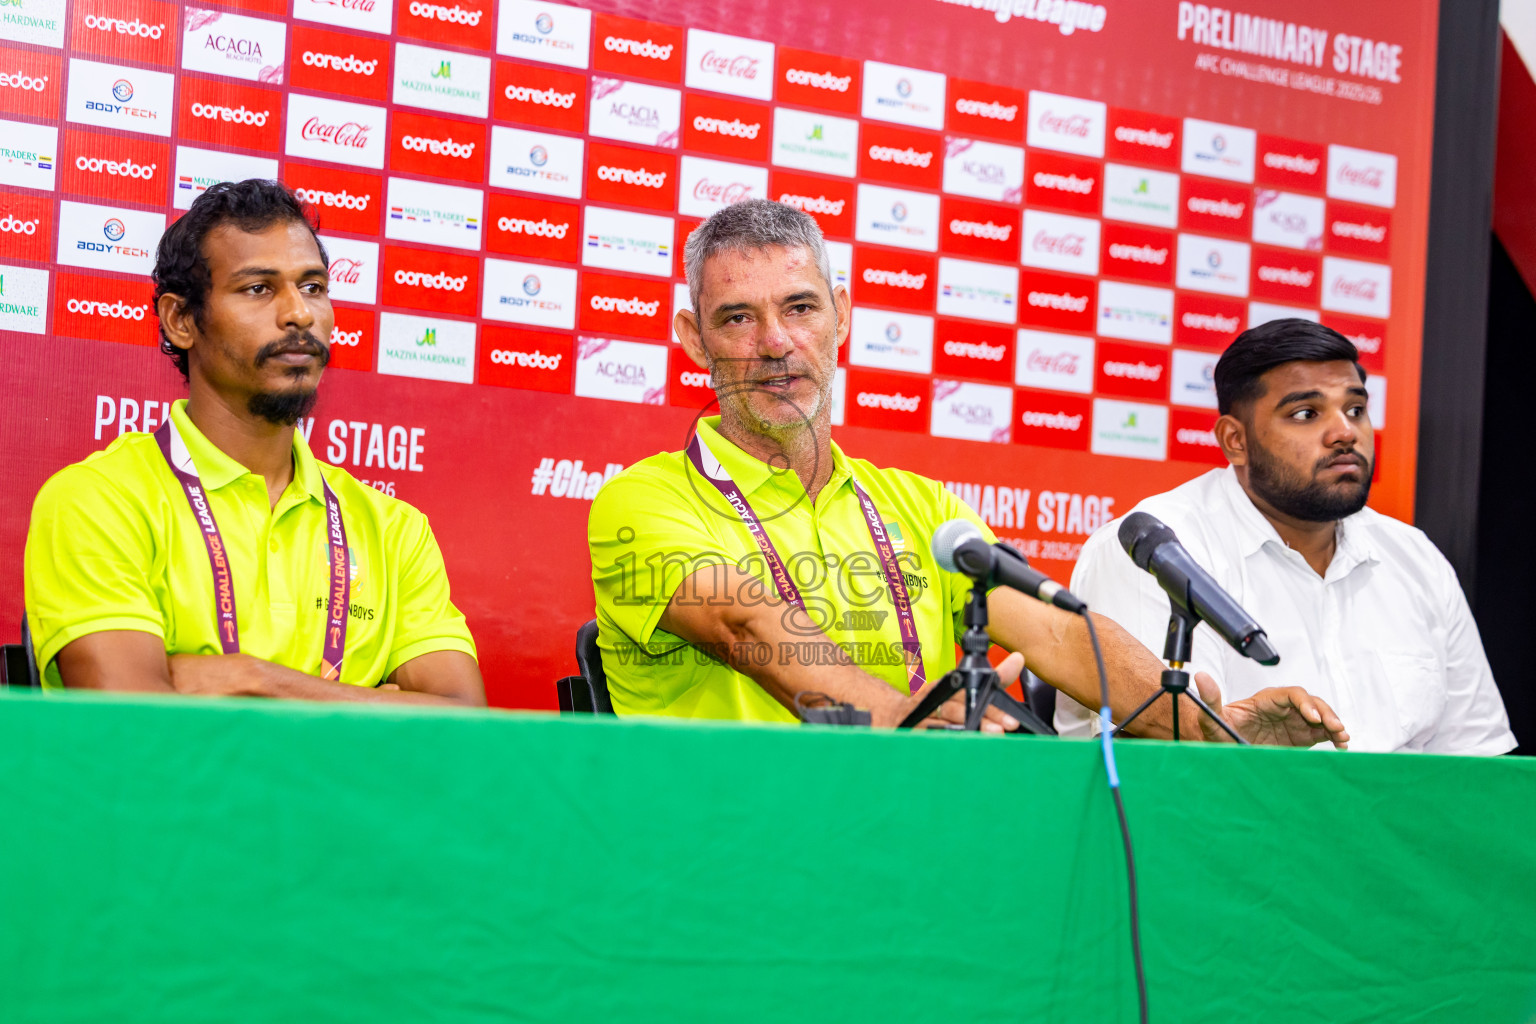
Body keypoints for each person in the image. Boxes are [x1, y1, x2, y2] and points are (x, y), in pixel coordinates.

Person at [587, 199, 1348, 742]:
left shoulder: (918, 508)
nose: (777, 342)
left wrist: (1217, 729)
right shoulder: (642, 501)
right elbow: (746, 622)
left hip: (914, 843)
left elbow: (1057, 635)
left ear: (842, 316)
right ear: (694, 339)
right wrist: (912, 727)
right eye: (737, 318)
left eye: (801, 308)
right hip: (726, 858)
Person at [24, 179, 484, 704]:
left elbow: (460, 722)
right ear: (180, 320)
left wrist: (253, 679)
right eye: (259, 288)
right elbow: (136, 725)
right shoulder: (99, 500)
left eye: (313, 287)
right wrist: (375, 703)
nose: (300, 314)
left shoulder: (395, 530)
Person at [1062, 319, 1515, 754]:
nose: (1345, 433)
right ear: (1235, 440)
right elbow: (1165, 761)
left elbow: (1475, 760)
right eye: (1305, 413)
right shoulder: (1158, 553)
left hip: (1403, 828)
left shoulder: (1414, 558)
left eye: (1355, 409)